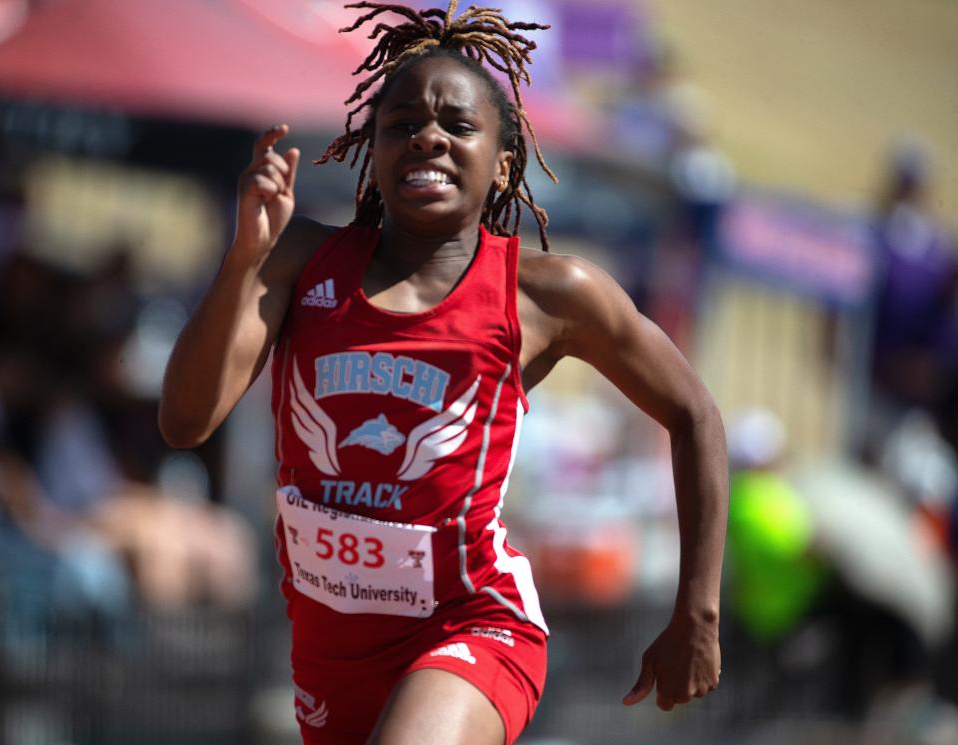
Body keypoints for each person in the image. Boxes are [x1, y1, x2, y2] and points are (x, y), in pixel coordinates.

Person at [158, 2, 727, 743]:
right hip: (331, 651)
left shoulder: (549, 294)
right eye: (400, 124)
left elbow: (694, 414)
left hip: (472, 626)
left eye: (457, 125)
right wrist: (240, 261)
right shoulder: (299, 260)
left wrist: (696, 608)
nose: (426, 135)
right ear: (372, 148)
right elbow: (184, 420)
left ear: (501, 160)